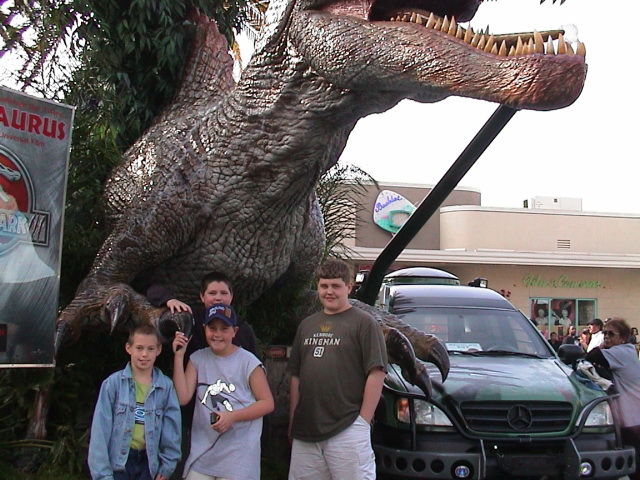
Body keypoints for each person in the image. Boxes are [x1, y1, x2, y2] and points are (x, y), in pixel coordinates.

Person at [287, 259, 388, 480]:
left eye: (336, 286)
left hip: (347, 427)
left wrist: (363, 422)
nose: (329, 292)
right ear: (317, 287)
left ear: (348, 288)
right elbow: (295, 376)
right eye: (324, 286)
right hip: (306, 431)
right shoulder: (306, 325)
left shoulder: (364, 323)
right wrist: (293, 420)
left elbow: (377, 372)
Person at [172, 303, 274, 480]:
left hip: (239, 455)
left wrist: (232, 417)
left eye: (224, 329)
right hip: (203, 453)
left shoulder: (248, 362)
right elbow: (182, 397)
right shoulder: (197, 359)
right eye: (212, 328)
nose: (217, 334)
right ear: (204, 329)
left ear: (234, 331)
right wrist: (179, 356)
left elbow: (267, 403)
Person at [88, 325, 181, 480]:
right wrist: (102, 474)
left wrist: (167, 466)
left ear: (158, 350)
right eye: (139, 348)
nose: (144, 354)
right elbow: (100, 431)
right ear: (128, 348)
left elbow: (172, 429)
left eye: (150, 349)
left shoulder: (165, 387)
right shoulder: (113, 384)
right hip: (120, 463)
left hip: (149, 463)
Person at [147, 271, 258, 358]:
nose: (218, 298)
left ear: (231, 296)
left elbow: (256, 364)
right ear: (202, 296)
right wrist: (168, 300)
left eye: (223, 293)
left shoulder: (243, 328)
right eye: (212, 293)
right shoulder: (191, 317)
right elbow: (151, 290)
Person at [585, 318, 640, 480]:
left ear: (622, 337)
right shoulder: (627, 351)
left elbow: (592, 356)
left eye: (611, 334)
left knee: (634, 464)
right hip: (630, 416)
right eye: (604, 333)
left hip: (632, 419)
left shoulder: (621, 352)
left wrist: (601, 346)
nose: (607, 337)